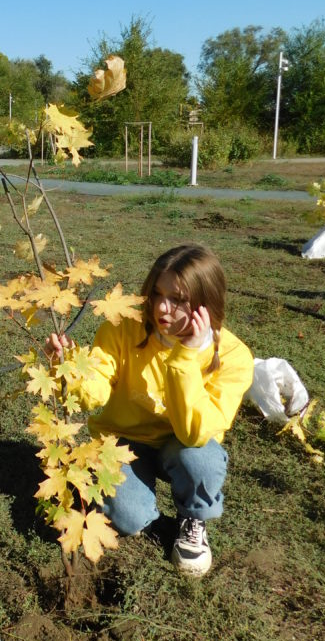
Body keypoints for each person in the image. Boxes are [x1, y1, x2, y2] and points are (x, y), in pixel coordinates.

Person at [49, 244, 253, 578]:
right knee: (128, 518)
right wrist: (71, 369)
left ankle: (193, 516)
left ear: (206, 303)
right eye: (156, 294)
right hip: (124, 440)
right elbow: (95, 390)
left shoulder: (232, 356)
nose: (162, 307)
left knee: (201, 458)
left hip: (183, 443)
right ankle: (148, 512)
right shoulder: (123, 328)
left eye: (178, 299)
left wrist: (185, 357)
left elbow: (194, 432)